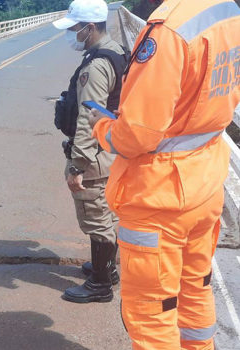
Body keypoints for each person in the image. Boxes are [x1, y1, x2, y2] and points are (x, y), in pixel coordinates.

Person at [88, 0, 240, 348]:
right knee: (194, 291)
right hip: (205, 183)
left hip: (160, 200)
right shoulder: (228, 11)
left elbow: (137, 135)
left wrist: (102, 127)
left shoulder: (168, 29)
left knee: (153, 316)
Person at [52, 0, 129, 303]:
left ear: (90, 27)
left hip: (96, 155)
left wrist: (77, 165)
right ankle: (106, 269)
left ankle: (100, 284)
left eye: (74, 28)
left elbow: (88, 116)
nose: (72, 33)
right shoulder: (118, 52)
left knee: (95, 216)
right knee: (107, 214)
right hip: (113, 150)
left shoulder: (97, 65)